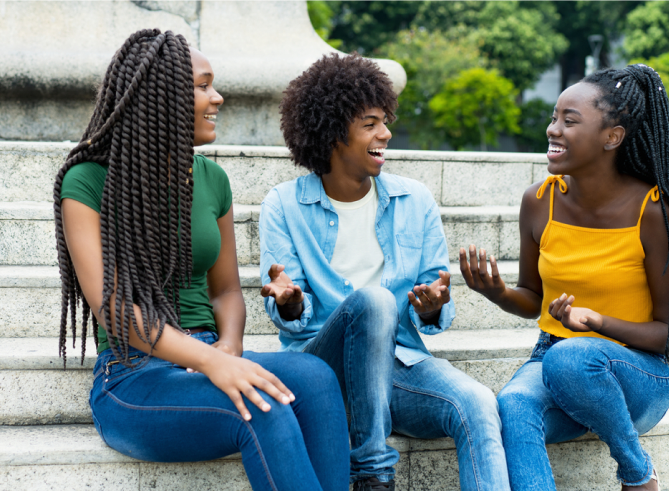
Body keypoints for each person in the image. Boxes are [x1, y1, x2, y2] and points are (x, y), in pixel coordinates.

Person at [53, 29, 349, 491]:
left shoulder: (212, 179)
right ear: (161, 96)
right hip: (135, 375)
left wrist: (227, 348)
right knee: (260, 406)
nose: (218, 97)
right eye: (203, 86)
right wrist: (209, 362)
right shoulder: (87, 181)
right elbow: (113, 309)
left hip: (209, 350)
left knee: (315, 377)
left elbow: (226, 290)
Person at [259, 53, 510, 491]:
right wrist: (291, 302)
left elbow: (431, 301)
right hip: (324, 373)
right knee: (374, 301)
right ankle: (373, 474)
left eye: (385, 121)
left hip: (399, 364)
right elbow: (289, 311)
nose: (386, 133)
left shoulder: (415, 200)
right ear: (334, 133)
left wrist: (430, 307)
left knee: (479, 402)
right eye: (370, 124)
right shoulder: (283, 205)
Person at [460, 64, 669, 491]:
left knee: (571, 357)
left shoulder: (653, 210)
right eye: (554, 117)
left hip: (640, 374)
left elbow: (665, 334)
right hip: (553, 356)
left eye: (569, 121)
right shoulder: (539, 201)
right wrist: (498, 293)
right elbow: (531, 299)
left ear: (612, 136)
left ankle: (637, 474)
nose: (553, 129)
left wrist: (596, 322)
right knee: (513, 404)